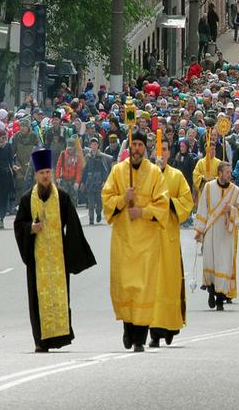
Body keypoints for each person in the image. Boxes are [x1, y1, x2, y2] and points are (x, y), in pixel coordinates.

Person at [13, 148, 96, 352]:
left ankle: (58, 338)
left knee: (60, 297)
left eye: (48, 173)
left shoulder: (63, 197)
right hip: (37, 258)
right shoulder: (26, 199)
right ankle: (40, 342)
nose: (45, 176)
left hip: (58, 258)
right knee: (37, 299)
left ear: (51, 173)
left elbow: (73, 226)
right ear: (36, 175)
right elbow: (18, 224)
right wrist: (30, 228)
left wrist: (71, 252)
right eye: (42, 173)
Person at [101, 130, 169, 352]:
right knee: (127, 288)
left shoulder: (155, 173)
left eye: (140, 144)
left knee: (143, 289)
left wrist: (142, 211)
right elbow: (107, 199)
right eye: (134, 145)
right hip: (124, 240)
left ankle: (140, 338)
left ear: (145, 148)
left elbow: (162, 204)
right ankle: (128, 329)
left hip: (147, 242)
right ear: (130, 148)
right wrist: (123, 199)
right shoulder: (118, 171)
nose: (137, 148)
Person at [150, 138, 194, 345]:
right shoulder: (146, 175)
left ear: (169, 153)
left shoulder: (176, 176)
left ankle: (170, 326)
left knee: (169, 284)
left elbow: (187, 202)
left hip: (168, 238)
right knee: (151, 285)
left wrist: (169, 202)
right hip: (149, 238)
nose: (161, 154)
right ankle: (153, 331)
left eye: (165, 150)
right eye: (158, 150)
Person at [194, 161, 239, 311]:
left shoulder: (235, 191)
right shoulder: (209, 188)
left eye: (230, 172)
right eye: (227, 172)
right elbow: (202, 208)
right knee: (210, 262)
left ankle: (221, 299)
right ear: (220, 173)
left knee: (224, 263)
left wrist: (232, 210)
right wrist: (199, 230)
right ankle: (211, 291)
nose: (230, 175)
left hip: (226, 233)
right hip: (211, 231)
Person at [81, 136, 112, 225]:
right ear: (90, 146)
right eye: (92, 144)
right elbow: (85, 170)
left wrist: (104, 181)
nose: (94, 146)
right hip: (90, 182)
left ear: (98, 145)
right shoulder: (88, 157)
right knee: (90, 202)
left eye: (95, 144)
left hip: (99, 181)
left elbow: (105, 170)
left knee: (99, 202)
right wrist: (83, 182)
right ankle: (91, 219)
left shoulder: (101, 156)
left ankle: (98, 213)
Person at [0, 122, 16, 229]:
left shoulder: (8, 146)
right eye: (2, 137)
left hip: (5, 175)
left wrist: (13, 167)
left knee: (4, 197)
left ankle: (1, 220)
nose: (3, 139)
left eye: (5, 137)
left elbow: (11, 160)